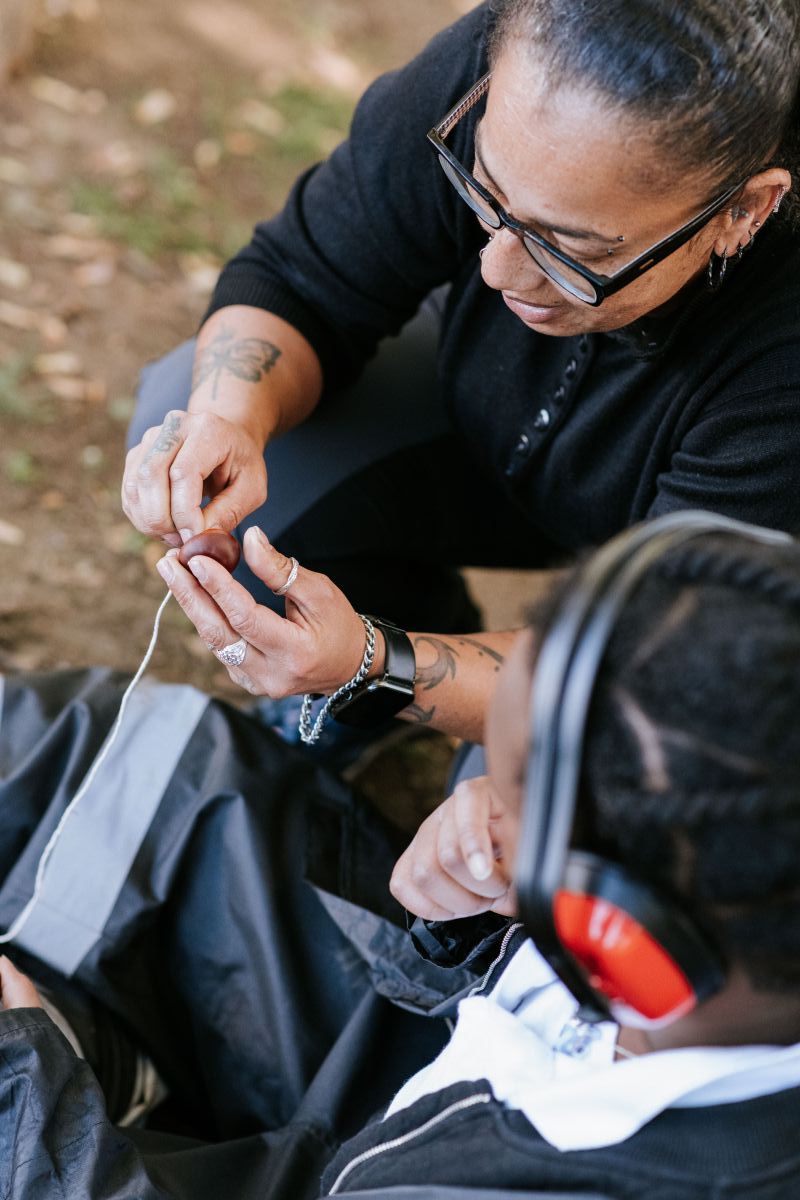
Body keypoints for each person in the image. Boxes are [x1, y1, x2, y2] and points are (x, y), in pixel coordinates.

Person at [2, 512, 800, 1198]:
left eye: (517, 802)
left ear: (618, 936)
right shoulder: (718, 964)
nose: (477, 798)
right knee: (141, 753)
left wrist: (35, 1106)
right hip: (379, 1085)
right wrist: (466, 939)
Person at [122, 0, 800, 752]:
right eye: (487, 191)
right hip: (490, 419)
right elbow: (304, 275)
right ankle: (405, 639)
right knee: (200, 411)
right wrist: (230, 419)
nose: (495, 267)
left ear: (743, 210)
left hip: (736, 584)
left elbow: (651, 667)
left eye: (572, 250)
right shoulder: (517, 64)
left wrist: (373, 664)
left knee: (534, 815)